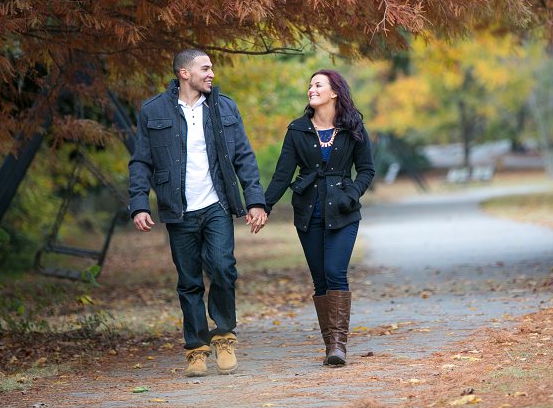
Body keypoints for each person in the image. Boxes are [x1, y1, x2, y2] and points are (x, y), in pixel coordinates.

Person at [128, 49, 268, 378]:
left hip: (216, 205)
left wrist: (255, 201)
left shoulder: (224, 107)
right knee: (189, 281)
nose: (211, 74)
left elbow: (244, 156)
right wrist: (138, 203)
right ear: (184, 73)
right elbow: (141, 161)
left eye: (212, 68)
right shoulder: (153, 110)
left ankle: (224, 337)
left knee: (223, 269)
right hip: (178, 211)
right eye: (205, 68)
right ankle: (196, 350)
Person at [260, 70, 375, 366]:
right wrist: (264, 206)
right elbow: (283, 174)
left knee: (336, 271)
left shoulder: (352, 127)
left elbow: (366, 170)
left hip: (344, 211)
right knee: (320, 278)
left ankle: (339, 345)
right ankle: (330, 347)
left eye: (318, 85)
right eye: (310, 85)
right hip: (308, 212)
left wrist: (353, 194)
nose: (311, 89)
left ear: (334, 92)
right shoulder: (297, 129)